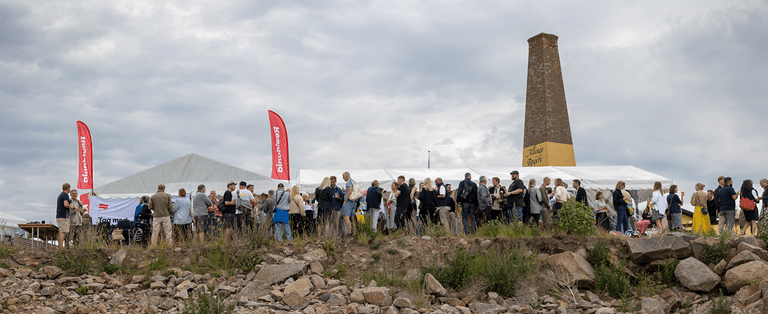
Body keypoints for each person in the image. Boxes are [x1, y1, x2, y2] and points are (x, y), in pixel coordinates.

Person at [341, 172, 359, 237]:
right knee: (353, 218)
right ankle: (354, 233)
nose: (343, 179)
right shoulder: (354, 181)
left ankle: (349, 233)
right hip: (354, 202)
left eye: (343, 177)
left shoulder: (349, 182)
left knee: (346, 218)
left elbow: (350, 191)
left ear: (346, 176)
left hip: (348, 202)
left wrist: (345, 200)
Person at [56, 183, 72, 249]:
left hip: (59, 216)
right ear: (68, 189)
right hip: (63, 216)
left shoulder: (60, 195)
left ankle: (60, 247)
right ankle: (61, 247)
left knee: (61, 231)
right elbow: (66, 204)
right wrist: (71, 206)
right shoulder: (65, 195)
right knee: (63, 232)